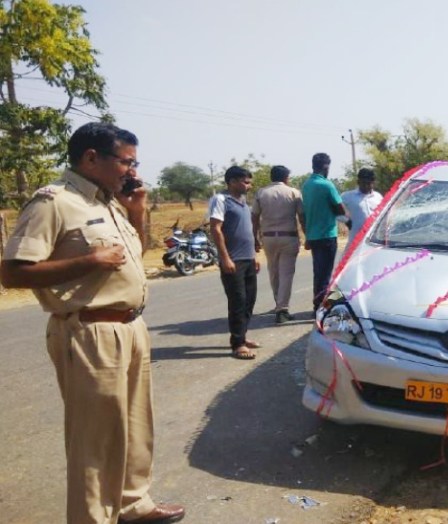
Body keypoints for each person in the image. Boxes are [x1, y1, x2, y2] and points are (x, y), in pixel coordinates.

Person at [0, 122, 185, 523]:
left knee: (135, 426)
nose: (132, 171)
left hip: (130, 326)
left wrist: (136, 212)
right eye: (126, 162)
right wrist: (90, 261)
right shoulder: (54, 202)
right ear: (90, 158)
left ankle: (133, 503)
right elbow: (13, 273)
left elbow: (131, 253)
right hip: (90, 330)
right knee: (96, 439)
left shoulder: (108, 202)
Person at [209, 166, 260, 359]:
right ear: (232, 182)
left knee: (249, 300)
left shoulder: (244, 203)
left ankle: (242, 336)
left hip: (248, 259)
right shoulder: (221, 200)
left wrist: (254, 256)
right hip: (233, 261)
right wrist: (225, 258)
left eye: (249, 182)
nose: (249, 185)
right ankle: (237, 344)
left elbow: (247, 232)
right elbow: (216, 229)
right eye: (245, 182)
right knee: (237, 301)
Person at [251, 165, 305, 323]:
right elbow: (302, 216)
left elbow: (254, 217)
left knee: (273, 272)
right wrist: (307, 235)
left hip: (268, 238)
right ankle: (282, 309)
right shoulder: (294, 193)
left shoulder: (261, 193)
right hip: (288, 236)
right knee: (286, 273)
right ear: (286, 178)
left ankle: (278, 303)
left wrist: (254, 238)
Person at [301, 153, 346, 310]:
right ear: (326, 167)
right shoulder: (327, 185)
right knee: (326, 273)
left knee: (319, 272)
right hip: (327, 235)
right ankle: (321, 306)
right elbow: (340, 209)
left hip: (313, 236)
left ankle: (319, 303)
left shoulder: (306, 185)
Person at [339, 167, 383, 253]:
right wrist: (346, 221)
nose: (366, 186)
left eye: (368, 183)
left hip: (374, 242)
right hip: (355, 243)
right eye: (363, 183)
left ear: (373, 183)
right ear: (358, 182)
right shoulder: (348, 196)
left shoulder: (378, 197)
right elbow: (334, 209)